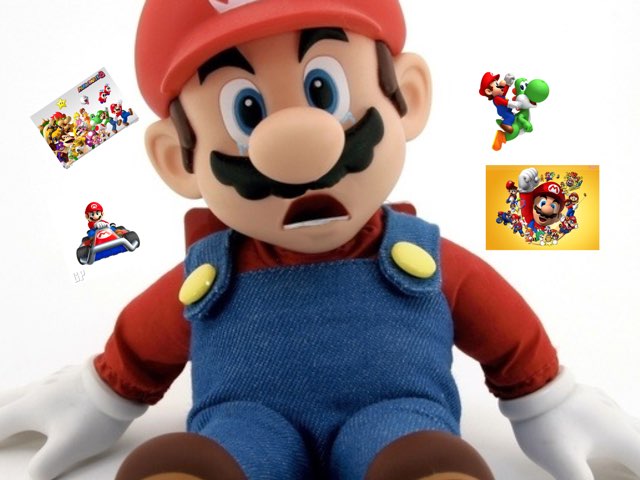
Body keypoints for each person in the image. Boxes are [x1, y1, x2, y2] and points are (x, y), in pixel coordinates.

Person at [1, 2, 639, 480]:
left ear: (409, 98)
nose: (294, 146)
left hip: (397, 418)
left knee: (418, 457)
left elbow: (503, 327)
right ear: (178, 160)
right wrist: (97, 396)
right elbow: (142, 345)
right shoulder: (210, 274)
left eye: (321, 90)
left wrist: (547, 399)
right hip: (244, 426)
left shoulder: (424, 258)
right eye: (246, 112)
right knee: (211, 459)